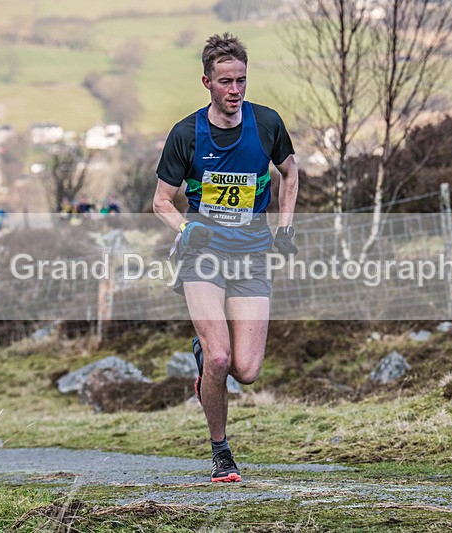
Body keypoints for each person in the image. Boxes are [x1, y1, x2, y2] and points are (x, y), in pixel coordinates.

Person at [153, 33, 299, 483]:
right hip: (204, 255)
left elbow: (290, 172)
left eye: (241, 81)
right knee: (219, 360)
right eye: (225, 82)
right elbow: (161, 201)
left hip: (252, 254)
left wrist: (286, 227)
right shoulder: (186, 134)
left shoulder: (267, 124)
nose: (235, 91)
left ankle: (206, 360)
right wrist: (186, 229)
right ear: (207, 82)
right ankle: (221, 453)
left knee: (247, 370)